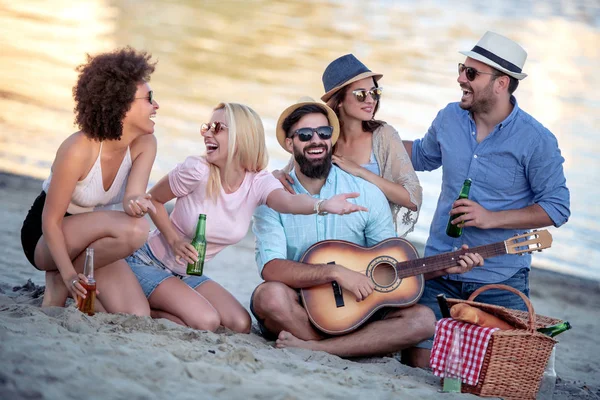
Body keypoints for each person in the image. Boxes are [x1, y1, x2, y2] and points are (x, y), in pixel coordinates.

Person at [250, 99, 482, 366]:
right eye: (305, 135)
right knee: (269, 296)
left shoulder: (367, 193)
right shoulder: (273, 196)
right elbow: (271, 268)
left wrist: (443, 268)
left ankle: (320, 348)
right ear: (290, 144)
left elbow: (391, 265)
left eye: (324, 133)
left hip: (356, 313)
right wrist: (335, 272)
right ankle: (347, 347)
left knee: (423, 320)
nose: (317, 141)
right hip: (301, 310)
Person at [125, 102, 367, 334]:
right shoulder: (196, 171)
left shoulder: (258, 181)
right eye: (207, 127)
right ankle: (137, 301)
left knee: (239, 324)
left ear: (242, 136)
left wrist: (322, 205)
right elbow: (152, 200)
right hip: (147, 261)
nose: (207, 134)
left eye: (217, 128)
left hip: (188, 273)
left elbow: (288, 202)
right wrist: (174, 239)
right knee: (206, 320)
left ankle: (163, 304)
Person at [404, 31, 571, 363]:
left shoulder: (536, 140)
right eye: (461, 68)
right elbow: (422, 157)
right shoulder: (449, 117)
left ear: (501, 83)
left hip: (500, 281)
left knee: (497, 374)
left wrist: (490, 218)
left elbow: (557, 207)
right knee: (420, 364)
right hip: (438, 271)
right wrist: (368, 136)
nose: (459, 79)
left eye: (471, 73)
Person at [20, 47, 159, 315]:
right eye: (149, 98)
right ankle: (59, 277)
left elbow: (132, 197)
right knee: (136, 230)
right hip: (47, 237)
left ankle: (72, 277)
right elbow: (51, 221)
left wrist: (136, 203)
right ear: (121, 104)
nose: (156, 105)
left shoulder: (146, 144)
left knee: (136, 314)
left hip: (94, 243)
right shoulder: (79, 148)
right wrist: (70, 275)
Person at [275, 54, 422, 237]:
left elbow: (413, 198)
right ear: (340, 100)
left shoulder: (384, 135)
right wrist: (276, 176)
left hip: (371, 237)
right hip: (324, 235)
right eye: (361, 94)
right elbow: (291, 174)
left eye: (375, 92)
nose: (370, 100)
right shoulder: (323, 136)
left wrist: (360, 171)